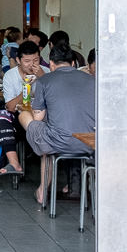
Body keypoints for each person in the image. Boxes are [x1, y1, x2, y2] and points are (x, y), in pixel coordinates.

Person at [17, 42, 96, 205]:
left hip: (58, 143)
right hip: (90, 144)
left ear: (51, 64)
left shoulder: (44, 81)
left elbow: (38, 118)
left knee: (25, 116)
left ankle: (42, 191)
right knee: (52, 130)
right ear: (73, 63)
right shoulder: (92, 81)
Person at [0, 40, 46, 197]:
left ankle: (9, 167)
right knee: (0, 118)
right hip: (17, 122)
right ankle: (2, 172)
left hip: (41, 122)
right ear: (18, 60)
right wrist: (27, 89)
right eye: (27, 61)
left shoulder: (45, 73)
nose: (32, 65)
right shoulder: (10, 75)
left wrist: (42, 79)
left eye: (35, 60)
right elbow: (10, 107)